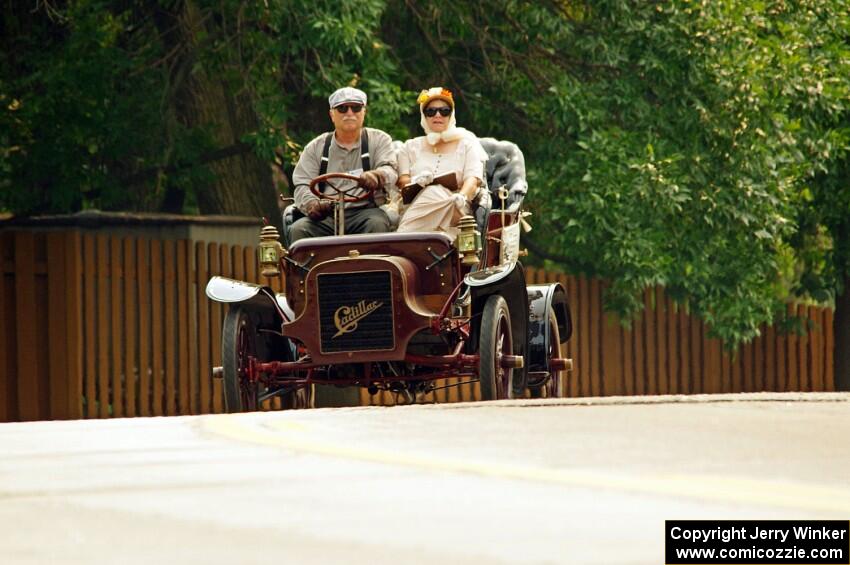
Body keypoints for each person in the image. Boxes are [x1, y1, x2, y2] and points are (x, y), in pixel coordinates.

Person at [290, 87, 399, 242]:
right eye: (342, 108)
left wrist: (377, 176)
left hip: (365, 212)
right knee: (299, 230)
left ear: (364, 112)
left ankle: (373, 266)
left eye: (355, 108)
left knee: (378, 224)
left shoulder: (379, 140)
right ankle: (311, 267)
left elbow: (390, 169)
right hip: (326, 216)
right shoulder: (316, 147)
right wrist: (312, 204)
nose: (349, 113)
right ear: (332, 115)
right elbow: (302, 183)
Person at [396, 87, 489, 237]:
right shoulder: (409, 147)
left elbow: (473, 180)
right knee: (432, 191)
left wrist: (462, 196)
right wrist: (416, 182)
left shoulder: (466, 144)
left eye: (444, 111)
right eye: (431, 111)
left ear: (451, 115)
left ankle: (403, 238)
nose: (437, 115)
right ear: (424, 116)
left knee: (435, 191)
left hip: (456, 207)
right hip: (415, 204)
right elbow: (402, 181)